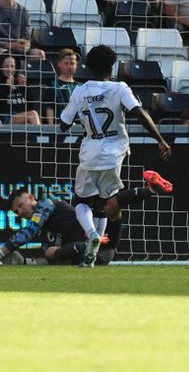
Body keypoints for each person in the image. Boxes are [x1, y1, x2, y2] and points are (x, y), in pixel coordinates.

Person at [59, 44, 173, 267]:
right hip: (114, 154)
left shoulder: (79, 91)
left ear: (87, 68)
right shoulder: (120, 88)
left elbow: (63, 124)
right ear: (111, 67)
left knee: (81, 201)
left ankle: (91, 233)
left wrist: (81, 116)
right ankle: (93, 254)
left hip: (90, 152)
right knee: (104, 205)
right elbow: (139, 112)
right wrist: (159, 139)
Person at [0, 190, 117, 266]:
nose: (20, 212)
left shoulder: (47, 205)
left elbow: (29, 232)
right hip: (82, 258)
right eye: (16, 212)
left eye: (20, 205)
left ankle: (92, 245)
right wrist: (24, 262)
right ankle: (86, 250)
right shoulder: (43, 230)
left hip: (101, 251)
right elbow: (49, 259)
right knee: (49, 252)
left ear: (31, 197)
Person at [0, 54, 41, 124]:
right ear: (0, 67)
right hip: (6, 118)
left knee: (30, 118)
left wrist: (24, 88)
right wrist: (6, 88)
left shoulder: (20, 82)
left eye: (12, 66)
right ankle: (40, 135)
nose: (10, 69)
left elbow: (31, 106)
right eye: (6, 66)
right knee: (32, 115)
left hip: (24, 117)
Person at [42, 47, 81, 124]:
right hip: (59, 127)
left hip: (78, 127)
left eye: (72, 63)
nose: (70, 66)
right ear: (59, 64)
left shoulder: (81, 87)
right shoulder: (52, 85)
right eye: (66, 63)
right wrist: (51, 127)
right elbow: (49, 108)